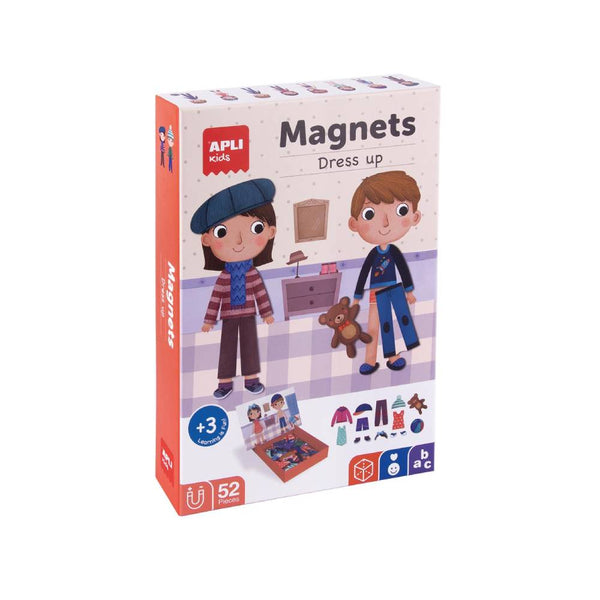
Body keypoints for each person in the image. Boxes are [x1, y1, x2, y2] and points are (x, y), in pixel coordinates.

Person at [190, 179, 277, 399]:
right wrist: (209, 320)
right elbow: (215, 299)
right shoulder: (224, 277)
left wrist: (266, 313)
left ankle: (251, 380)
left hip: (248, 315)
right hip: (228, 317)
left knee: (250, 347)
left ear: (270, 232)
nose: (238, 241)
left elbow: (261, 294)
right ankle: (225, 383)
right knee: (227, 348)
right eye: (222, 232)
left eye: (256, 228)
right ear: (207, 240)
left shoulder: (252, 274)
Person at [348, 171, 422, 375]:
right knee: (374, 327)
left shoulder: (394, 251)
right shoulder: (373, 254)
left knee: (395, 324)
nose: (386, 223)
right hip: (376, 293)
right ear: (354, 223)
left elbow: (403, 270)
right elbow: (364, 274)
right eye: (369, 214)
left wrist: (409, 291)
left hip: (394, 291)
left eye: (400, 210)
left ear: (415, 217)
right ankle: (370, 360)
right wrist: (357, 297)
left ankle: (393, 356)